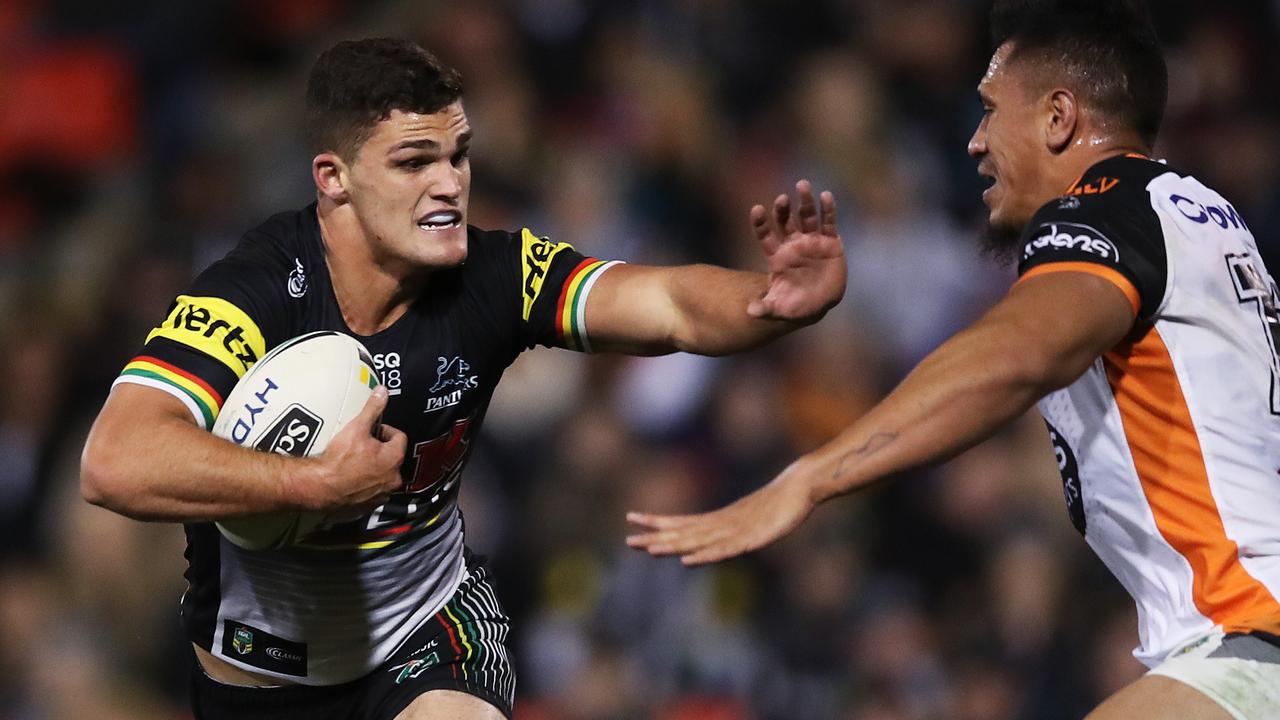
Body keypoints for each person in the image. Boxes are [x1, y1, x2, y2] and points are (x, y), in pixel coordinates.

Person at [79, 38, 845, 720]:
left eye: (458, 155)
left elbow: (667, 303)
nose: (448, 183)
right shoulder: (250, 296)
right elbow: (115, 463)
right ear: (334, 179)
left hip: (430, 636)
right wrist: (313, 485)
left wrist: (766, 301)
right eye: (414, 162)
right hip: (259, 679)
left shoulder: (494, 274)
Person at [626, 1, 1280, 718]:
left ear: (1058, 118)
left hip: (1251, 634)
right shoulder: (1199, 216)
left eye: (992, 110)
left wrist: (811, 477)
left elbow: (1019, 354)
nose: (974, 141)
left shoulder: (1103, 208)